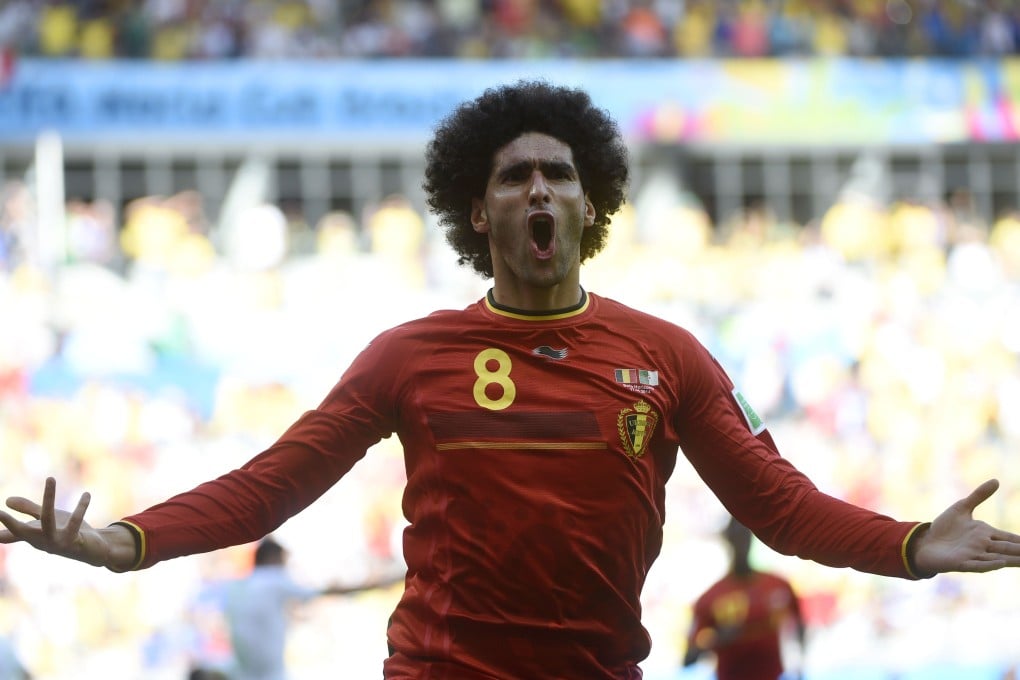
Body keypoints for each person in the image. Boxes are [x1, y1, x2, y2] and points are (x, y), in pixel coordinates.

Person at [2, 80, 1020, 679]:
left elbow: (782, 509)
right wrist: (124, 542)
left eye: (561, 174)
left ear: (592, 208)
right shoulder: (408, 354)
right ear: (478, 213)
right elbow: (272, 484)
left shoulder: (670, 355)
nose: (540, 186)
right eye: (514, 175)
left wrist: (912, 544)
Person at [218, 537, 402, 680]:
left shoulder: (237, 586)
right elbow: (323, 591)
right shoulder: (274, 579)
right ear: (273, 559)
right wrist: (376, 585)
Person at [683, 517, 806, 680]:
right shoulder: (710, 598)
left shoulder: (778, 585)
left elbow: (800, 626)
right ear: (728, 539)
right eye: (736, 536)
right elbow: (688, 659)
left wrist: (800, 664)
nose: (741, 542)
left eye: (745, 535)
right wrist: (718, 638)